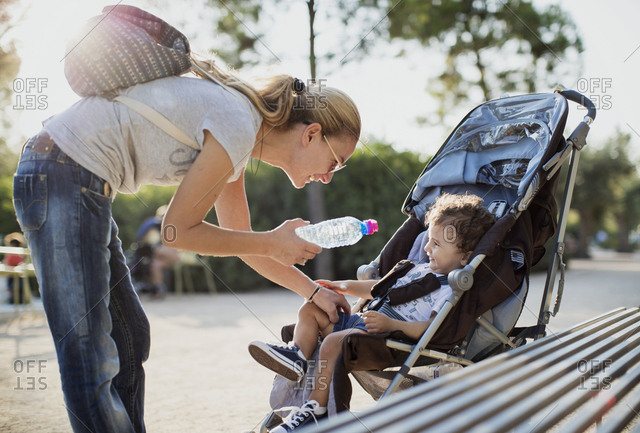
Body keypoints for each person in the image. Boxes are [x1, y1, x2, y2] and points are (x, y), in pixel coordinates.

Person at [12, 56, 361, 432]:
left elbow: (243, 243)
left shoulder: (241, 135)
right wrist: (273, 242)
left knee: (129, 335)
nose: (328, 177)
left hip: (80, 182)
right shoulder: (238, 123)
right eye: (336, 162)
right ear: (311, 134)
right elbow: (176, 232)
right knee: (89, 349)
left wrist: (312, 292)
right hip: (61, 173)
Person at [248, 193, 496, 432]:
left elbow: (432, 328)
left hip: (388, 339)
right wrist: (342, 286)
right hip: (364, 323)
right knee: (312, 308)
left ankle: (317, 411)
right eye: (428, 239)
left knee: (333, 342)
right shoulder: (418, 269)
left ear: (465, 257)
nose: (427, 248)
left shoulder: (448, 289)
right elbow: (378, 289)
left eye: (437, 244)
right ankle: (297, 358)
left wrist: (391, 325)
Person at [131, 205, 180, 298]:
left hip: (170, 254)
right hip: (155, 253)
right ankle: (159, 290)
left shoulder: (160, 225)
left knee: (156, 259)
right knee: (156, 265)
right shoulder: (156, 224)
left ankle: (157, 289)